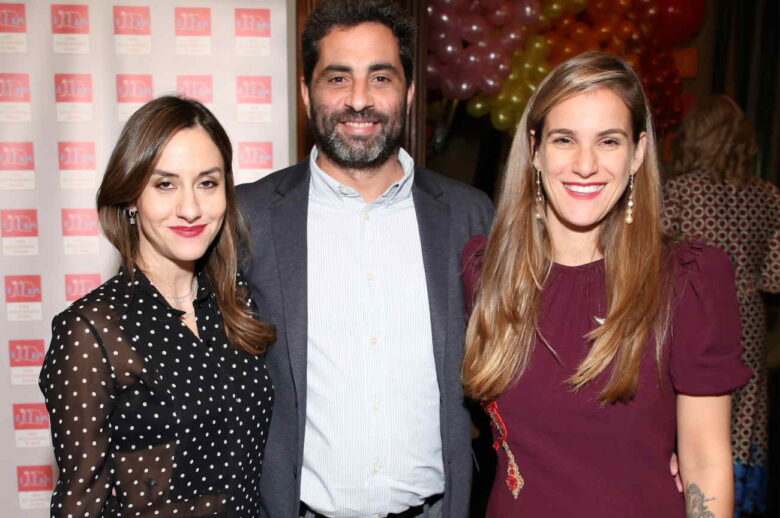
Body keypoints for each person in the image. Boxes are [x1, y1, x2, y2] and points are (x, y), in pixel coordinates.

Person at [461, 52, 752, 518]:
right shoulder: (485, 274)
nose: (585, 164)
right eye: (564, 139)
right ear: (535, 149)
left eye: (609, 141)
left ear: (637, 153)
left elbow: (705, 461)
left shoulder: (685, 283)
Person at [236, 1, 493, 516]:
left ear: (409, 92)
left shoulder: (470, 215)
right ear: (307, 92)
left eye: (380, 77)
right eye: (338, 78)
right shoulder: (248, 217)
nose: (359, 100)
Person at [39, 96, 275, 517]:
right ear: (131, 197)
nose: (191, 209)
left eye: (207, 183)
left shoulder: (238, 300)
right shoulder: (92, 329)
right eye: (165, 184)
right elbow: (80, 500)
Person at [663, 94, 780, 517]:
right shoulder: (769, 196)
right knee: (743, 415)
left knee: (686, 407)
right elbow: (774, 277)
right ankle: (737, 501)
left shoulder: (678, 191)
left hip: (688, 312)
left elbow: (654, 263)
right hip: (746, 316)